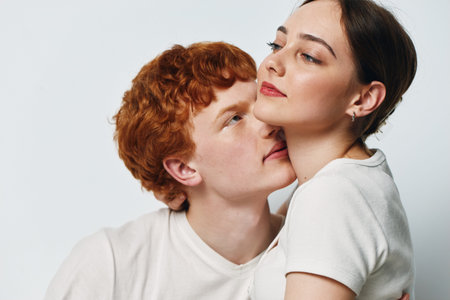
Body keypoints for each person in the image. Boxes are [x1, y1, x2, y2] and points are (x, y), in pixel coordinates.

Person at [43, 42, 296, 300]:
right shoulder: (111, 264)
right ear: (184, 168)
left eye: (259, 103)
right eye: (234, 119)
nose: (269, 123)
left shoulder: (309, 249)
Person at [250, 0, 416, 299]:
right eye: (276, 45)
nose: (272, 63)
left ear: (364, 99)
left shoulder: (333, 196)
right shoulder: (346, 181)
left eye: (310, 57)